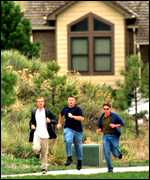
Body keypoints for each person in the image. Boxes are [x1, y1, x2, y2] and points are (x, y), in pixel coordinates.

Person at [29, 97, 57, 174]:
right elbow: (31, 121)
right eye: (39, 102)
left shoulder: (47, 111)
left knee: (44, 153)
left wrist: (50, 121)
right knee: (35, 148)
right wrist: (31, 125)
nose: (40, 103)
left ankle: (44, 168)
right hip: (36, 133)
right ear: (36, 103)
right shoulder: (34, 111)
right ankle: (38, 154)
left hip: (45, 134)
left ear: (44, 103)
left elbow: (55, 120)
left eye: (42, 101)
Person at [57, 96, 84, 170]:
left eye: (72, 100)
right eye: (69, 100)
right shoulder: (65, 109)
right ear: (68, 101)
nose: (71, 101)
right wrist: (59, 123)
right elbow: (61, 114)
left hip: (78, 131)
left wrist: (73, 117)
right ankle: (69, 157)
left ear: (75, 101)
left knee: (78, 147)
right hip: (68, 128)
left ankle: (79, 161)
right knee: (68, 140)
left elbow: (82, 118)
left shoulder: (78, 109)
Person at [96, 102, 124, 173]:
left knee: (115, 151)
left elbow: (122, 124)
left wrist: (115, 126)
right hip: (105, 137)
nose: (106, 110)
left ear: (110, 109)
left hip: (114, 135)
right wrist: (99, 130)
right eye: (104, 109)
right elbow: (99, 127)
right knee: (106, 152)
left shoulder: (114, 116)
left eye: (107, 109)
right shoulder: (101, 117)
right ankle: (110, 169)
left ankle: (118, 154)